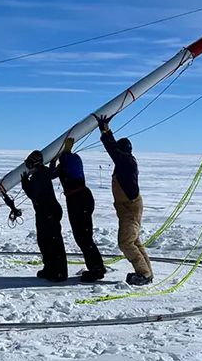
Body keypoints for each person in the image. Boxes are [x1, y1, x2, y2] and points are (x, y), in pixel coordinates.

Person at [94, 113, 153, 285]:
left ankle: (143, 274)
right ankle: (147, 273)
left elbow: (113, 150)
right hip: (128, 208)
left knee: (126, 243)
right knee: (133, 241)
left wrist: (105, 131)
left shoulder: (126, 162)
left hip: (130, 209)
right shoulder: (126, 162)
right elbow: (115, 151)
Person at [54, 136, 108, 282]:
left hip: (78, 201)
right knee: (83, 236)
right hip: (81, 199)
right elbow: (54, 173)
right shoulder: (73, 161)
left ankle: (96, 269)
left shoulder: (70, 162)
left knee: (83, 237)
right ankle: (96, 267)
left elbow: (54, 173)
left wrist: (58, 158)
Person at [20, 149, 68, 282]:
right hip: (44, 212)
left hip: (49, 212)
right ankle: (49, 268)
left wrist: (25, 184)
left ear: (36, 164)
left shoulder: (40, 175)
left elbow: (33, 195)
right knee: (44, 241)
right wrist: (53, 163)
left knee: (53, 242)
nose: (28, 167)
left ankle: (59, 272)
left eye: (30, 163)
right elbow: (52, 173)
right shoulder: (41, 173)